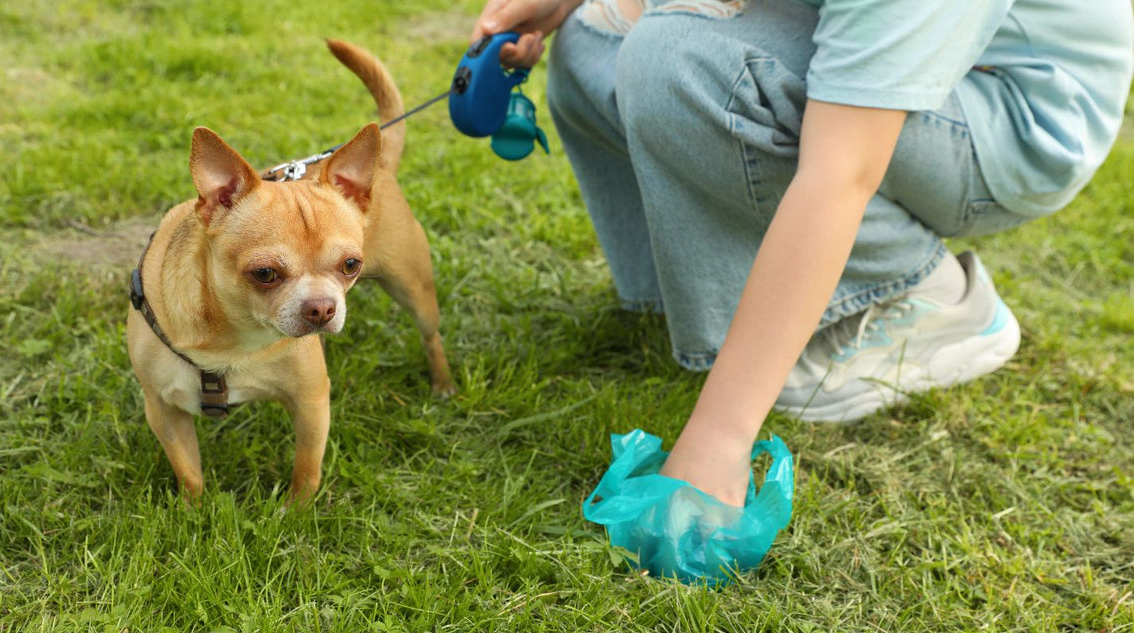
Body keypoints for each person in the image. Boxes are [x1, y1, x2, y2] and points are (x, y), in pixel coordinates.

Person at [471, 0, 1134, 507]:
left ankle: (922, 296)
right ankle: (724, 297)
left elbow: (840, 172)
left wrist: (721, 440)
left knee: (680, 62)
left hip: (1008, 107)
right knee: (598, 31)